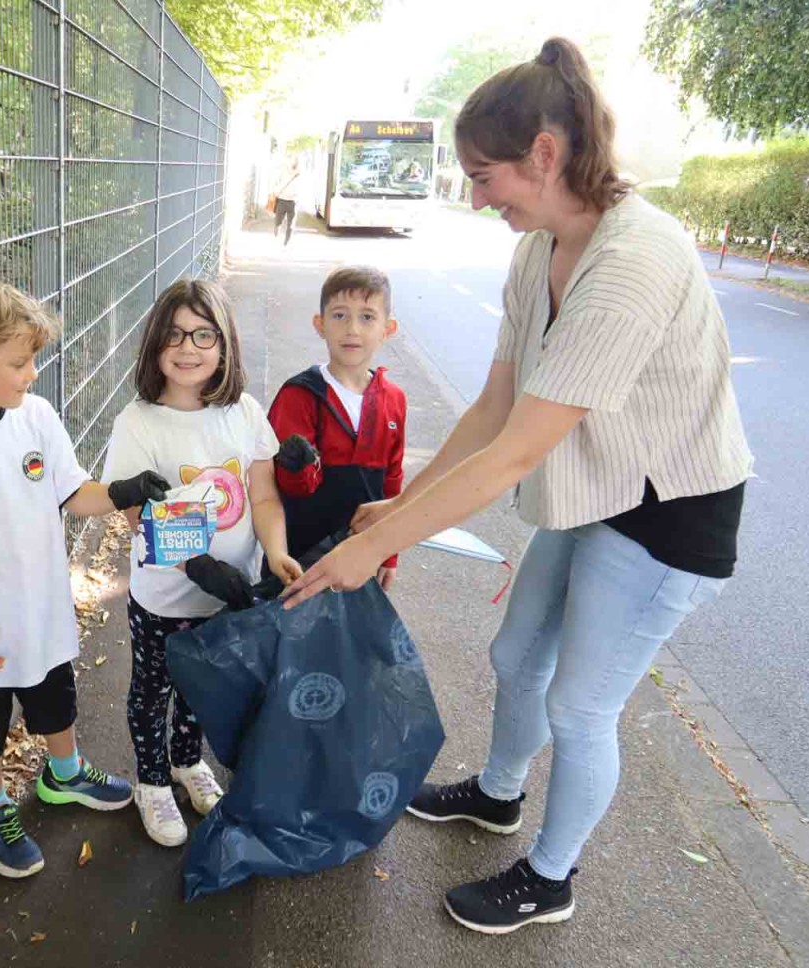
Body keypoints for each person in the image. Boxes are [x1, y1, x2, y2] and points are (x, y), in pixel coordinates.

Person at [282, 37, 753, 935]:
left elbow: (516, 454)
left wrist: (374, 546)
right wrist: (401, 504)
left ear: (544, 153)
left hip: (670, 514)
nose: (474, 197)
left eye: (482, 176)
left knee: (581, 706)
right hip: (596, 487)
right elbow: (494, 409)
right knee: (515, 657)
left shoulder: (636, 258)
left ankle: (550, 876)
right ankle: (499, 794)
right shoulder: (539, 249)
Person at [0, 279, 170, 879]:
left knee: (55, 697)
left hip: (42, 610)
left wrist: (124, 491)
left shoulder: (36, 418)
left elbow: (75, 493)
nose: (33, 373)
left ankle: (63, 774)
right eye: (19, 362)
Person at [101, 278, 303, 847]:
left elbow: (264, 496)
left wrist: (277, 552)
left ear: (224, 343)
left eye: (203, 335)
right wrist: (197, 567)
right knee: (153, 691)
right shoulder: (138, 422)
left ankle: (188, 762)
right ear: (154, 344)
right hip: (164, 599)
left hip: (229, 597)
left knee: (202, 687)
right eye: (174, 335)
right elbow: (136, 512)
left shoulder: (245, 412)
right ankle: (151, 781)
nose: (188, 348)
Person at [267, 265, 405, 590]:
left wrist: (389, 554)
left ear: (388, 328)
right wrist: (296, 466)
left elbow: (392, 482)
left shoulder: (394, 400)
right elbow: (285, 487)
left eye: (367, 317)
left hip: (362, 560)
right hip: (301, 559)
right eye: (340, 315)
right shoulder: (299, 395)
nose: (352, 329)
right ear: (321, 324)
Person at [273, 160, 301, 245]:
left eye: (296, 161)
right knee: (278, 222)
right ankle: (276, 236)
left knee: (291, 225)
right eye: (294, 160)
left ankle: (286, 242)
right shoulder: (284, 171)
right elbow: (276, 182)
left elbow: (301, 188)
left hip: (293, 202)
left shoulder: (299, 173)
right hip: (282, 200)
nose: (295, 163)